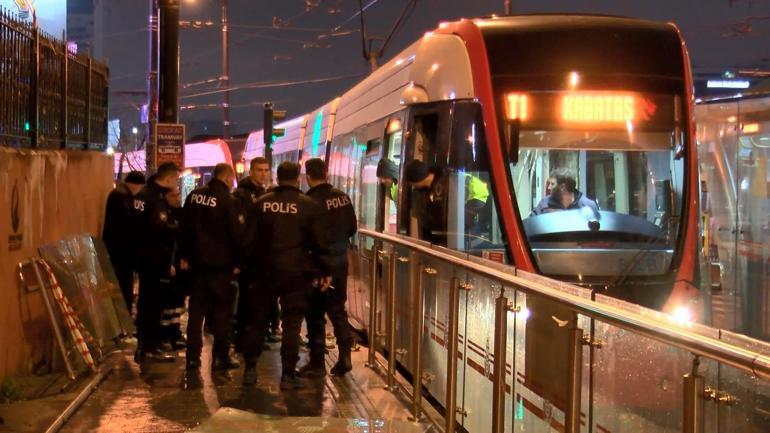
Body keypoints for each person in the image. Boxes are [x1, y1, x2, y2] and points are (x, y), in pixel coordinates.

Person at [241, 161, 331, 389]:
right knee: (291, 324)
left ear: (276, 177)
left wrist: (248, 268)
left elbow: (247, 241)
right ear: (298, 178)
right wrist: (323, 271)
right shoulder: (308, 205)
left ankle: (250, 369)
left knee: (257, 321)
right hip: (296, 273)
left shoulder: (261, 204)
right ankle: (288, 375)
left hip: (264, 272)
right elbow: (320, 243)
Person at [179, 163, 243, 371]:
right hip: (221, 266)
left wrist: (184, 255)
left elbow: (184, 227)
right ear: (226, 177)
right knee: (221, 314)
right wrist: (238, 262)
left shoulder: (195, 197)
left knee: (196, 312)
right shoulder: (228, 201)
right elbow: (235, 235)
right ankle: (220, 357)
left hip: (198, 265)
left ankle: (192, 357)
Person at [301, 158, 357, 377]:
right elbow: (352, 228)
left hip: (317, 265)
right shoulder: (342, 197)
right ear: (326, 173)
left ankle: (317, 363)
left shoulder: (308, 201)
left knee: (315, 313)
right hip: (339, 262)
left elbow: (307, 236)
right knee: (337, 310)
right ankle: (344, 357)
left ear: (308, 176)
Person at [132, 162, 180, 362]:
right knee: (152, 304)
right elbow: (157, 228)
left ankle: (146, 345)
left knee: (147, 303)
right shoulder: (154, 198)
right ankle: (149, 347)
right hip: (153, 259)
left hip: (146, 258)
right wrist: (175, 226)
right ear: (168, 179)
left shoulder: (144, 195)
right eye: (176, 179)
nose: (177, 183)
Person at [232, 157, 280, 349]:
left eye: (266, 170)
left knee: (261, 299)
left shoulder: (265, 193)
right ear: (251, 171)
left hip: (263, 257)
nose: (263, 174)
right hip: (249, 257)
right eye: (259, 170)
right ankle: (245, 337)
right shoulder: (242, 195)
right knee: (247, 299)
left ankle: (259, 333)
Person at [404, 160, 489, 242]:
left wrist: (465, 215)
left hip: (475, 200)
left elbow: (481, 191)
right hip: (438, 238)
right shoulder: (425, 190)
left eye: (411, 183)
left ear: (416, 179)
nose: (412, 186)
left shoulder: (447, 182)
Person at [103, 170, 146, 312]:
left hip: (117, 250)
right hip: (120, 252)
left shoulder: (119, 194)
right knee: (123, 285)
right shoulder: (122, 196)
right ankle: (124, 315)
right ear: (135, 185)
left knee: (124, 284)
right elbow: (128, 224)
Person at [158, 187, 187, 352]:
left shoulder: (181, 214)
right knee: (167, 301)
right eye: (173, 195)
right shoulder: (165, 215)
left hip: (180, 264)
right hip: (169, 263)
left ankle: (175, 331)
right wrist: (169, 263)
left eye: (178, 194)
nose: (177, 198)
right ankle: (164, 335)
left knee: (178, 301)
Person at [531, 168, 599, 215]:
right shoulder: (544, 203)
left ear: (563, 187)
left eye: (552, 184)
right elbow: (531, 224)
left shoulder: (588, 205)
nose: (548, 188)